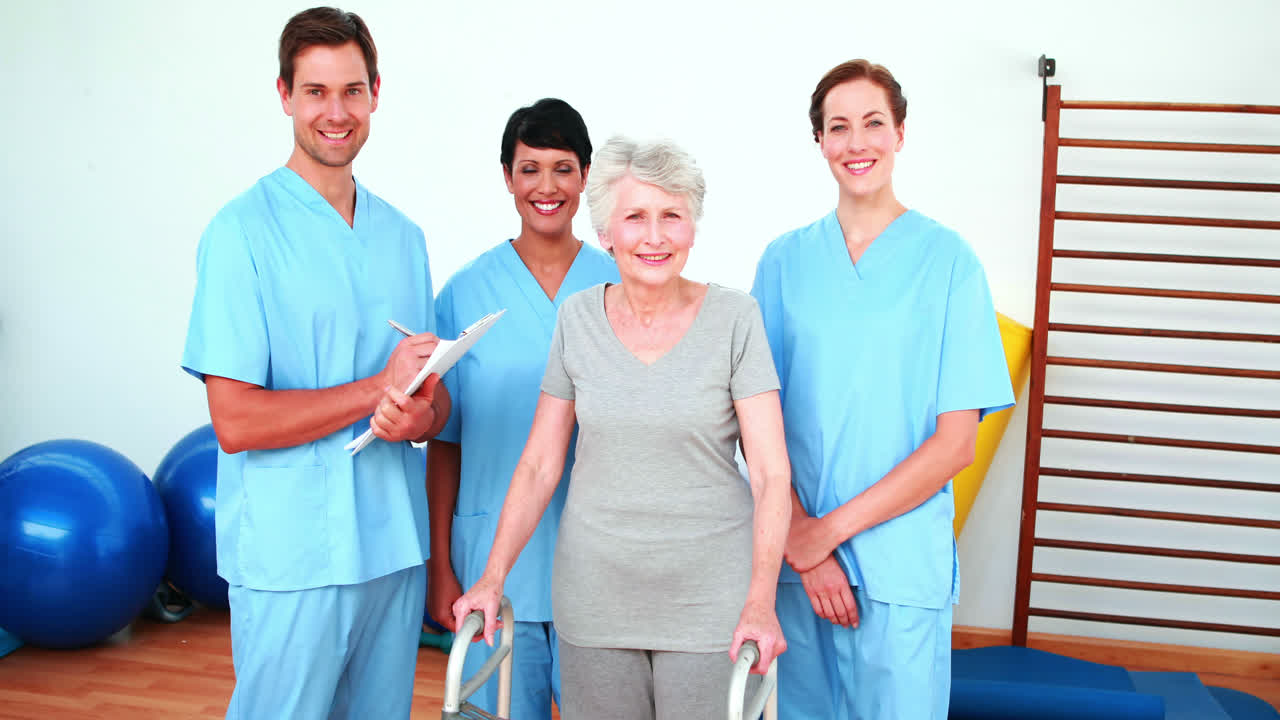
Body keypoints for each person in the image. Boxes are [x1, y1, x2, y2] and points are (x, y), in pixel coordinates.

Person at [451, 137, 790, 720]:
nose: (654, 237)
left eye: (671, 217)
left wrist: (760, 600)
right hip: (595, 596)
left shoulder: (736, 320)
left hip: (709, 598)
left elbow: (770, 472)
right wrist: (491, 576)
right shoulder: (577, 318)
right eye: (635, 217)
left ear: (693, 229)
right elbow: (538, 463)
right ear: (606, 233)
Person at [181, 7, 450, 719]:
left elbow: (433, 397)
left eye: (352, 91)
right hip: (293, 554)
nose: (336, 112)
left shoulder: (404, 236)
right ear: (284, 95)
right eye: (316, 91)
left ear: (375, 93)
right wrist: (374, 391)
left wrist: (419, 411)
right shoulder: (241, 233)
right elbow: (234, 421)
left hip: (392, 547)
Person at [751, 59, 1015, 720]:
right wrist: (802, 544)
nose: (856, 142)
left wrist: (825, 534)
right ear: (819, 143)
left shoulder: (950, 263)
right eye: (838, 127)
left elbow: (956, 446)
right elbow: (754, 424)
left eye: (873, 123)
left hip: (898, 570)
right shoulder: (782, 263)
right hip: (798, 570)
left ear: (900, 133)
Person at [425, 98, 618, 720]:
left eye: (563, 168)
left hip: (601, 568)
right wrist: (440, 568)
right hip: (493, 567)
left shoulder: (619, 284)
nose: (546, 186)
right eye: (529, 168)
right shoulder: (464, 293)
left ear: (586, 176)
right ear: (507, 176)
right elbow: (444, 443)